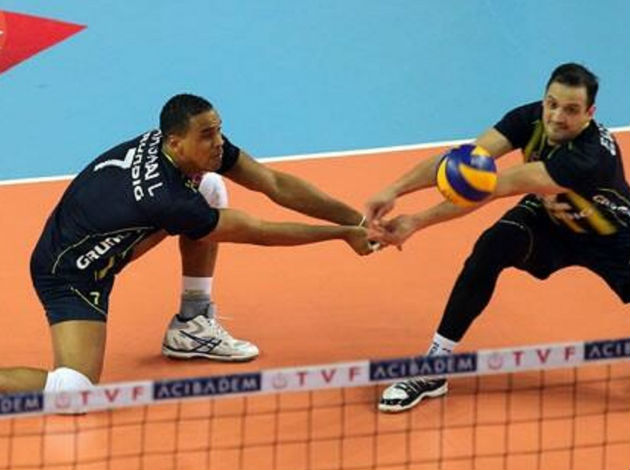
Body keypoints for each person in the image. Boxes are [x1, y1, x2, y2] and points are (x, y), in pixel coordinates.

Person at [0, 94, 382, 394]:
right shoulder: (167, 199)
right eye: (207, 135)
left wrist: (358, 221)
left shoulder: (187, 151)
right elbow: (259, 232)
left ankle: (191, 323)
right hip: (69, 274)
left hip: (104, 237)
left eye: (218, 131)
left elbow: (274, 183)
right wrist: (339, 234)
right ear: (175, 142)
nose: (218, 143)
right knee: (75, 389)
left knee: (209, 184)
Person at [365, 63, 630, 412]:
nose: (556, 116)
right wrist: (394, 189)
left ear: (589, 113)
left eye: (571, 109)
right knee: (491, 248)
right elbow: (463, 161)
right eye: (552, 103)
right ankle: (434, 366)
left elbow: (488, 186)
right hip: (549, 221)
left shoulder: (587, 157)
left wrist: (416, 221)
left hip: (611, 233)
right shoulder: (529, 119)